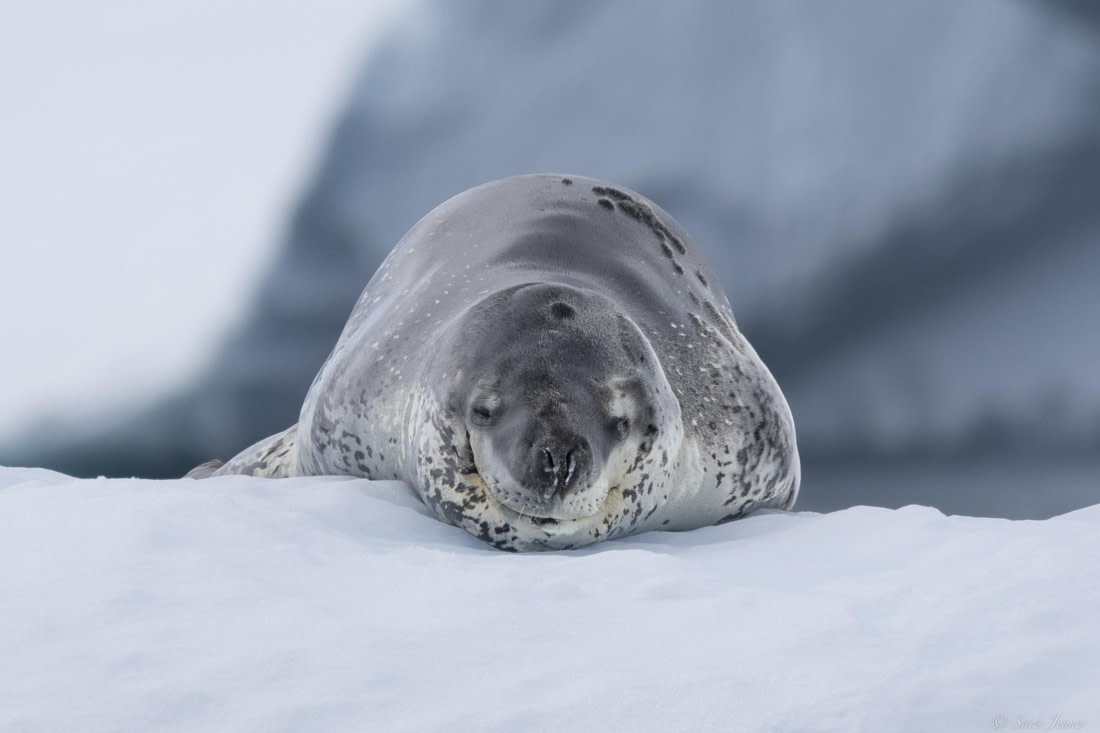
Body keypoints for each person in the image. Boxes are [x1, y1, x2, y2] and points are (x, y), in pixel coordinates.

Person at [7, 0, 1099, 518]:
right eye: (504, 422)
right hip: (450, 255)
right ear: (460, 410)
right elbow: (318, 443)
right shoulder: (380, 404)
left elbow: (773, 473)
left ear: (644, 418)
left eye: (601, 426)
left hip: (632, 246)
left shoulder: (720, 420)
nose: (551, 460)